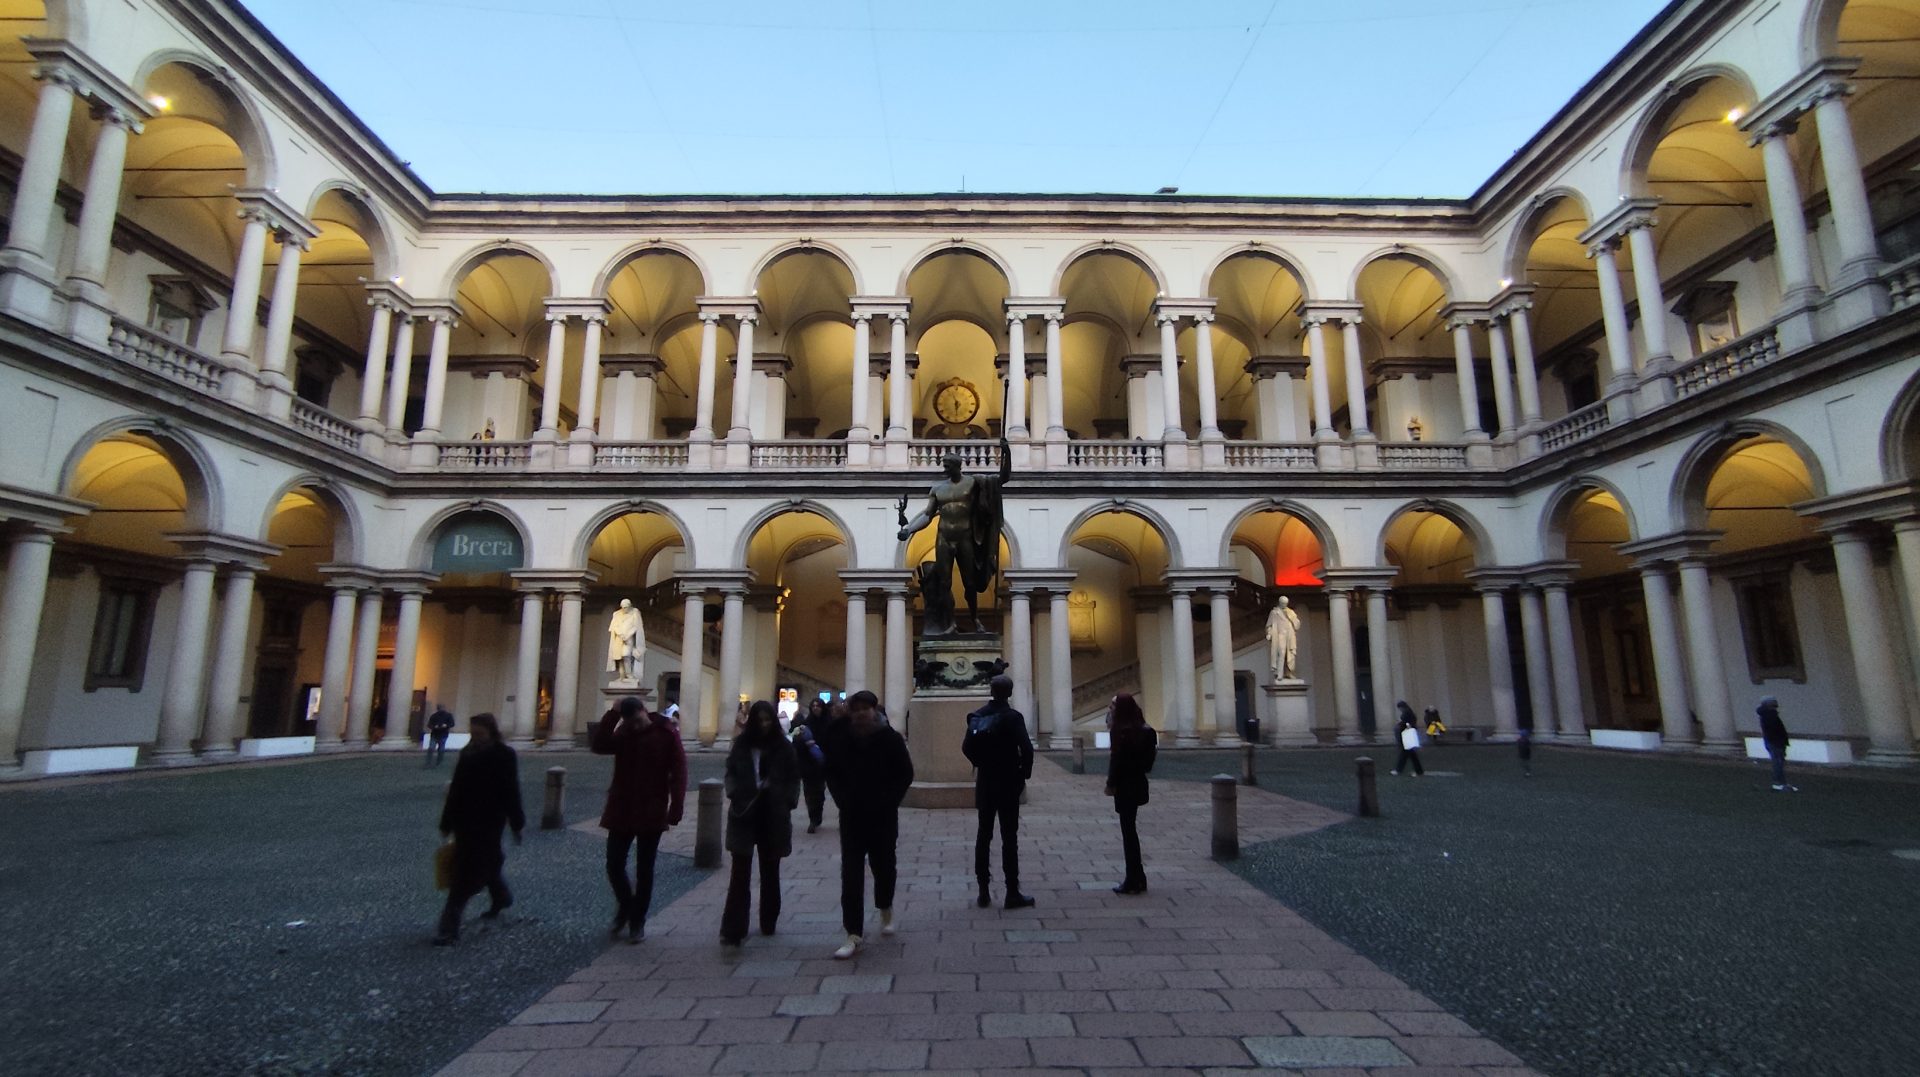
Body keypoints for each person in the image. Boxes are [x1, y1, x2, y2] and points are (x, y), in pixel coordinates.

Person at [821, 689, 914, 959]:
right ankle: (853, 933)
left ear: (874, 710)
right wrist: (841, 798)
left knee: (884, 865)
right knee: (850, 873)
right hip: (851, 814)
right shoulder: (842, 737)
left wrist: (890, 800)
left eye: (866, 708)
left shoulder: (889, 738)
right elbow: (831, 769)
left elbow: (905, 773)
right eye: (857, 709)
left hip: (882, 815)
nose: (861, 713)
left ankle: (885, 905)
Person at [591, 696, 687, 943]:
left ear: (645, 711)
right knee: (614, 864)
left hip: (651, 807)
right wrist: (612, 714)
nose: (635, 726)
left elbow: (679, 771)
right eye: (630, 722)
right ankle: (626, 905)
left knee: (645, 869)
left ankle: (637, 921)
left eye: (637, 720)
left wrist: (676, 806)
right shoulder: (624, 732)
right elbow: (599, 745)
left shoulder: (666, 733)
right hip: (622, 806)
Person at [434, 713, 524, 945]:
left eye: (479, 733)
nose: (476, 737)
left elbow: (511, 790)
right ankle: (500, 896)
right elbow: (456, 789)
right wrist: (446, 823)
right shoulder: (468, 753)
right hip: (464, 820)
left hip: (490, 820)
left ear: (491, 731)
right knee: (478, 864)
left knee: (469, 871)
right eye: (473, 733)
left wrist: (517, 822)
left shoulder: (504, 755)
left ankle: (449, 926)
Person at [720, 701, 799, 946]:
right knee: (739, 873)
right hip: (745, 810)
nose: (764, 725)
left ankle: (768, 919)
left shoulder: (784, 747)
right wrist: (734, 792)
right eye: (760, 720)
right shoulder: (742, 746)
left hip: (773, 812)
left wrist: (787, 800)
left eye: (768, 720)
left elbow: (793, 778)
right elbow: (731, 772)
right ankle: (734, 928)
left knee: (770, 870)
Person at [963, 674, 1035, 910]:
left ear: (991, 691)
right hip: (1008, 780)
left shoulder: (978, 715)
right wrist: (1024, 773)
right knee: (1009, 837)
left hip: (986, 781)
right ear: (1010, 693)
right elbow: (1027, 748)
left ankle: (983, 891)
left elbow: (966, 747)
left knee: (983, 835)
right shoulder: (1013, 717)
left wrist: (980, 763)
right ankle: (1012, 892)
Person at [1106, 693, 1157, 895]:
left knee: (1128, 834)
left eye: (1113, 706)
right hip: (1138, 783)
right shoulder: (1147, 731)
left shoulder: (1120, 731)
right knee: (1130, 832)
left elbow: (1115, 761)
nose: (1110, 709)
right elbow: (1148, 764)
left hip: (1124, 786)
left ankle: (1132, 879)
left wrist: (1110, 784)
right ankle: (1139, 877)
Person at [793, 698, 831, 833]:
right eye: (813, 706)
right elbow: (796, 742)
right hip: (808, 764)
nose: (815, 708)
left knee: (819, 792)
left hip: (822, 764)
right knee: (809, 793)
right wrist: (806, 744)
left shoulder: (828, 724)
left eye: (818, 706)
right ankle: (813, 819)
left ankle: (817, 815)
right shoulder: (806, 724)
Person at [1758, 697, 1796, 792]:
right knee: (1778, 763)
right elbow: (1775, 731)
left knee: (1778, 762)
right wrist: (1780, 742)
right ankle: (1778, 783)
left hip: (1774, 742)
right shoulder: (1770, 715)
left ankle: (1781, 782)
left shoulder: (1767, 715)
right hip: (1776, 742)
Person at [1391, 710, 1425, 776]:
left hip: (1407, 742)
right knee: (1411, 756)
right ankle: (1418, 771)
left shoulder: (1405, 723)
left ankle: (1399, 770)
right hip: (1408, 742)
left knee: (1406, 756)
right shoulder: (1408, 721)